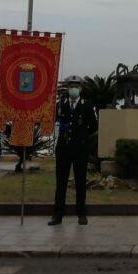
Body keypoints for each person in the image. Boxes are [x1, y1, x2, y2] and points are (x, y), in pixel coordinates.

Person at [49, 75, 98, 226]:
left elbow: (94, 126)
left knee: (80, 181)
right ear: (68, 88)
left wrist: (83, 137)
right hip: (63, 148)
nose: (74, 89)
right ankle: (58, 214)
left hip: (80, 149)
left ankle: (81, 213)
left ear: (81, 89)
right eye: (71, 86)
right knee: (61, 182)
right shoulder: (60, 105)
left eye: (76, 86)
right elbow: (51, 120)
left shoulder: (87, 105)